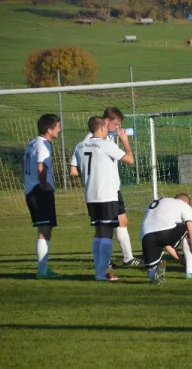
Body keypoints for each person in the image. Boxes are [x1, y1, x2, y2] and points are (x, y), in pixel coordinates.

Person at [70, 107, 141, 267]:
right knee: (105, 230)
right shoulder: (100, 141)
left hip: (100, 191)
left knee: (121, 221)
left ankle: (127, 258)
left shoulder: (82, 143)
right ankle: (105, 264)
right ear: (105, 122)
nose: (118, 128)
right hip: (106, 192)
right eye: (116, 124)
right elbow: (130, 160)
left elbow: (73, 170)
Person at [24, 114, 63, 279]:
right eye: (58, 126)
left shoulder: (32, 143)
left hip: (31, 190)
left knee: (44, 230)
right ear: (49, 129)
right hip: (39, 192)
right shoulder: (43, 145)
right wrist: (44, 185)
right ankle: (42, 271)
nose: (60, 129)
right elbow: (41, 167)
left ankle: (43, 269)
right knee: (44, 231)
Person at [140, 194, 192, 284]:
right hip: (165, 233)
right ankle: (190, 271)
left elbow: (166, 244)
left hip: (146, 236)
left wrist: (179, 258)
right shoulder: (185, 206)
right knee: (187, 230)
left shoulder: (162, 202)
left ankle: (154, 274)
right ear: (187, 203)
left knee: (151, 269)